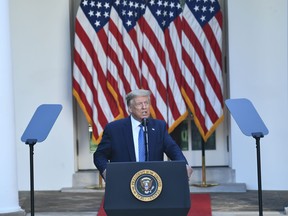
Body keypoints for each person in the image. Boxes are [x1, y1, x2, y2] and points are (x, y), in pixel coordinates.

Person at [93, 89, 193, 180]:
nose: (144, 107)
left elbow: (172, 149)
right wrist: (106, 171)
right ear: (130, 109)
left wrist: (183, 165)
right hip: (124, 180)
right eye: (139, 104)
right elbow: (99, 155)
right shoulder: (114, 129)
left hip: (152, 182)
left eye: (146, 103)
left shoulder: (158, 127)